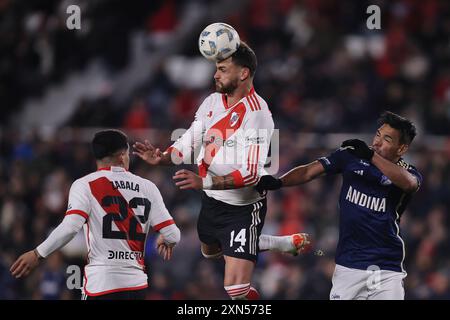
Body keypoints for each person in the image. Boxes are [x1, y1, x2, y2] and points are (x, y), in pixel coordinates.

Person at [133, 42, 309, 300]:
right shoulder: (212, 101)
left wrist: (204, 182)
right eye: (217, 69)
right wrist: (163, 157)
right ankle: (278, 243)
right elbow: (189, 143)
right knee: (211, 252)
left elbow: (251, 175)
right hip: (213, 202)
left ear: (243, 73)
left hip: (243, 208)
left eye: (223, 69)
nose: (216, 75)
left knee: (236, 291)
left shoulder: (258, 115)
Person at [255, 111, 422, 300]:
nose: (377, 142)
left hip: (385, 267)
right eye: (377, 135)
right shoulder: (351, 156)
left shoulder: (407, 172)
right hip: (348, 265)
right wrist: (279, 182)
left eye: (387, 139)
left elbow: (410, 184)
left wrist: (371, 156)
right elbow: (310, 171)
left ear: (401, 149)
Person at [10, 129, 181, 300]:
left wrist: (37, 254)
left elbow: (70, 227)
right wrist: (165, 239)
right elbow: (173, 234)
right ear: (122, 156)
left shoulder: (85, 185)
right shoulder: (148, 187)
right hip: (136, 287)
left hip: (101, 285)